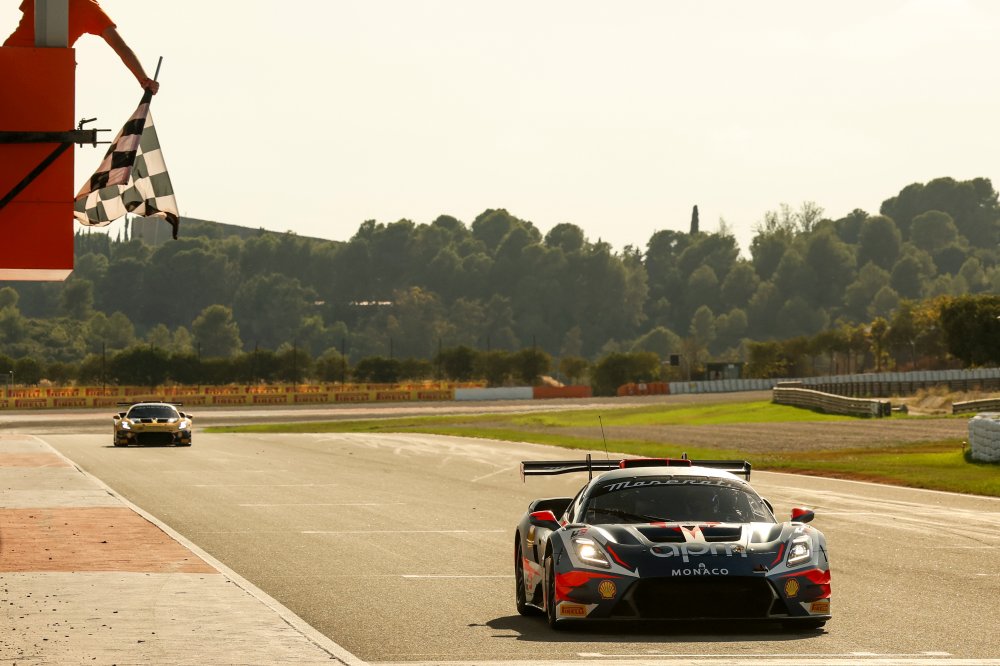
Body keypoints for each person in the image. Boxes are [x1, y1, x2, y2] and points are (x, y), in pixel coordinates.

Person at [4, 0, 159, 94]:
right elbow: (121, 47)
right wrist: (143, 79)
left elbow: (28, 17)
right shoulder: (89, 8)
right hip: (41, 72)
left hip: (7, 58)